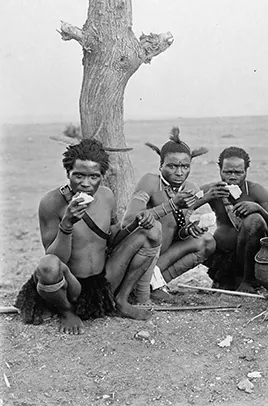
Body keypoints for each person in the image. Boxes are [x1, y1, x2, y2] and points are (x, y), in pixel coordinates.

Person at [15, 139, 161, 334]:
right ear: (68, 173)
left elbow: (111, 239)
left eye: (93, 177)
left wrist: (135, 224)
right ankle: (67, 312)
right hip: (71, 285)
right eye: (78, 176)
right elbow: (55, 260)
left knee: (151, 232)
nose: (85, 184)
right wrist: (66, 225)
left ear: (102, 175)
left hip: (103, 280)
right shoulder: (51, 203)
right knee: (47, 266)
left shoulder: (107, 195)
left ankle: (121, 300)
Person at [122, 127, 215, 303]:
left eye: (185, 167)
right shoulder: (151, 182)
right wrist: (171, 205)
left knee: (207, 241)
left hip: (161, 257)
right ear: (161, 166)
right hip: (140, 255)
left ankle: (156, 283)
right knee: (153, 229)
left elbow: (178, 230)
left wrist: (190, 230)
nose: (179, 172)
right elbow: (129, 220)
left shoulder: (191, 189)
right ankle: (144, 284)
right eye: (172, 166)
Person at [196, 147, 268, 292]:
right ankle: (224, 279)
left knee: (254, 220)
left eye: (238, 172)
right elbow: (182, 209)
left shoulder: (256, 191)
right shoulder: (211, 189)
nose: (232, 177)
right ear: (220, 170)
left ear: (246, 171)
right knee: (199, 236)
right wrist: (207, 197)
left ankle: (249, 281)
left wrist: (259, 209)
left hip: (251, 257)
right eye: (227, 172)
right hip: (224, 256)